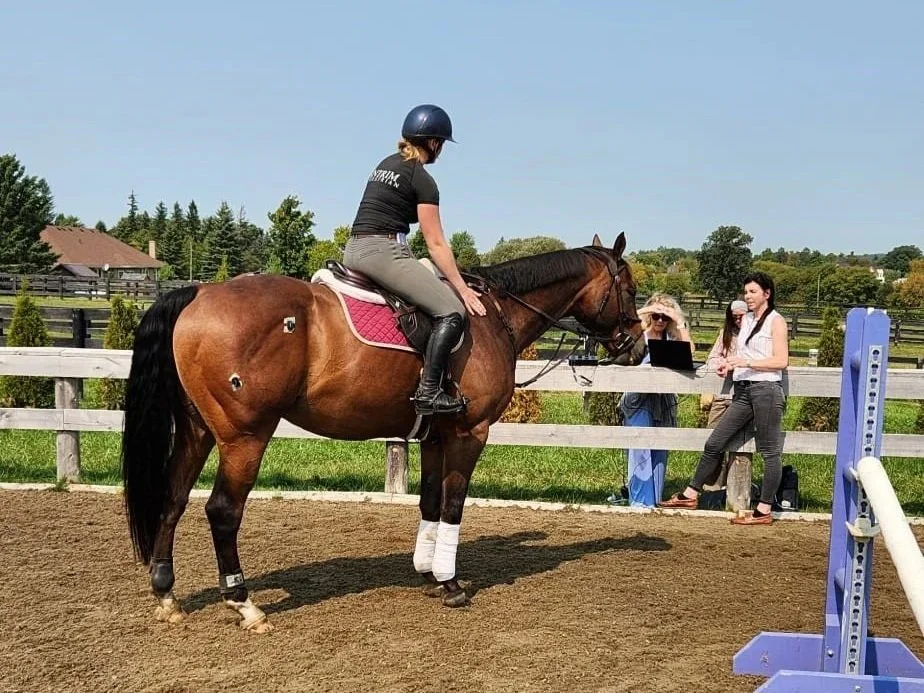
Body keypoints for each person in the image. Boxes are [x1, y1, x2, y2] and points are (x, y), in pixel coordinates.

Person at [343, 104, 486, 416]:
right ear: (434, 143)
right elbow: (435, 242)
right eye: (442, 145)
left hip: (353, 248)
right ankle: (429, 392)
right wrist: (462, 289)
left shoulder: (386, 163)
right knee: (451, 310)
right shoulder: (422, 179)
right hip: (382, 252)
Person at [660, 272, 789, 525]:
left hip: (765, 391)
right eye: (746, 292)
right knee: (714, 443)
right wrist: (729, 364)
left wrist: (746, 361)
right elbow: (742, 353)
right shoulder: (748, 322)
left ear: (767, 293)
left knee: (770, 451)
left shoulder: (777, 321)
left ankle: (763, 510)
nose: (747, 297)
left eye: (752, 292)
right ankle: (691, 494)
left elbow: (781, 361)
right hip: (743, 391)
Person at [618, 294, 693, 507]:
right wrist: (644, 312)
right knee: (639, 449)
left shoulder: (672, 339)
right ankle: (640, 502)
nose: (660, 321)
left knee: (659, 451)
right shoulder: (639, 336)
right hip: (638, 400)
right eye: (657, 316)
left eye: (664, 317)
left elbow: (690, 352)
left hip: (663, 402)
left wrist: (679, 322)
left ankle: (655, 500)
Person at [699, 300, 753, 494]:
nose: (738, 320)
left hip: (745, 398)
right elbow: (712, 358)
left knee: (741, 445)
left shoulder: (757, 337)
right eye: (735, 316)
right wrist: (722, 363)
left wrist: (739, 364)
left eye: (742, 316)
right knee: (713, 441)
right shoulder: (725, 335)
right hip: (723, 396)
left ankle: (736, 491)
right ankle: (711, 489)